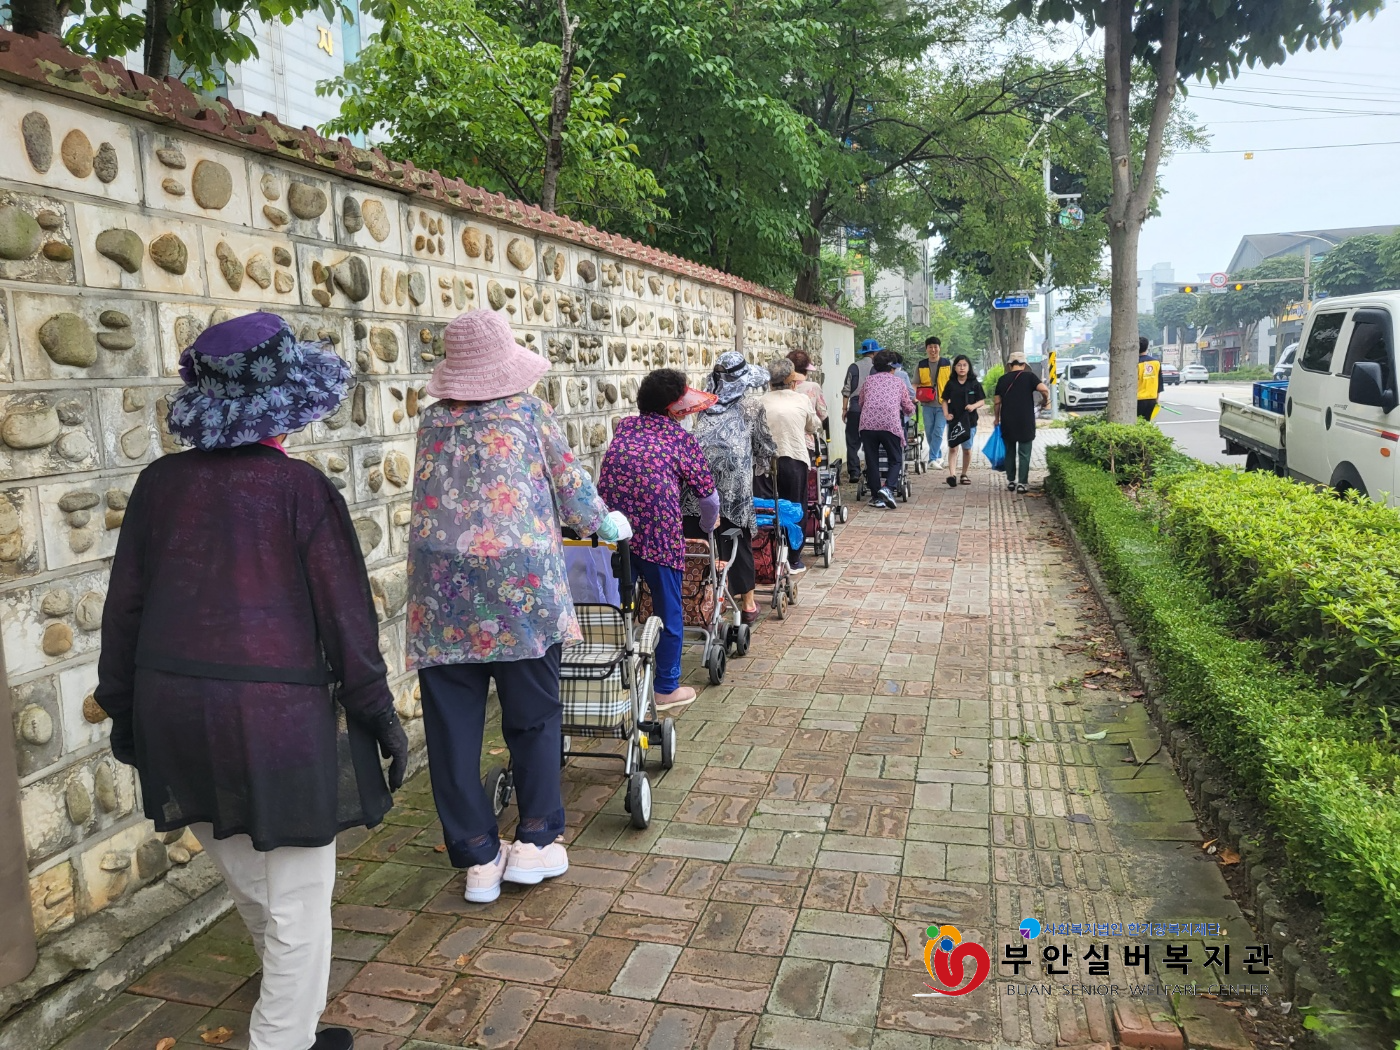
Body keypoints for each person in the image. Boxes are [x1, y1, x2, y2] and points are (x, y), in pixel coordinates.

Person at [98, 313, 408, 1050]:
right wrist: (379, 714)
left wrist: (123, 709)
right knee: (298, 901)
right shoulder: (300, 491)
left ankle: (292, 1026)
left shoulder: (157, 484)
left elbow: (124, 609)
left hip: (172, 707)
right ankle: (283, 1040)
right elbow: (347, 621)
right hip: (274, 721)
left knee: (252, 881)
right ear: (286, 401)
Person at [407, 309, 628, 906]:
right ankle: (535, 840)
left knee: (452, 728)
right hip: (520, 586)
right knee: (532, 715)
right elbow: (570, 486)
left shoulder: (432, 421)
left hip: (441, 590)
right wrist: (603, 523)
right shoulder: (529, 412)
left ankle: (479, 856)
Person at [598, 370, 720, 711]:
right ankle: (665, 688)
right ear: (674, 408)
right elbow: (708, 497)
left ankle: (611, 681)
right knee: (669, 613)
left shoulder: (625, 428)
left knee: (614, 609)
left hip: (613, 533)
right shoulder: (680, 438)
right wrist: (708, 526)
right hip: (659, 535)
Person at [683, 351, 776, 625]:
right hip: (734, 485)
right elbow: (764, 445)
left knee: (700, 541)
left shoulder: (702, 404)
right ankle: (747, 604)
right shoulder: (751, 406)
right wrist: (766, 461)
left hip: (696, 482)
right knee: (737, 538)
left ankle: (701, 601)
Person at [759, 357, 821, 569]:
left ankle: (767, 554)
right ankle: (794, 558)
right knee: (796, 505)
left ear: (770, 382)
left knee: (766, 506)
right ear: (792, 381)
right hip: (794, 458)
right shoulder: (801, 400)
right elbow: (813, 426)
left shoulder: (760, 401)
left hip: (764, 462)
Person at [858, 349, 916, 509]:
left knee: (872, 460)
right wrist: (912, 410)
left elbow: (861, 402)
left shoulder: (868, 381)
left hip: (868, 424)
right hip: (890, 424)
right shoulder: (898, 382)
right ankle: (888, 488)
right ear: (893, 367)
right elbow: (907, 406)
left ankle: (876, 497)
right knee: (895, 459)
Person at [994, 351, 1051, 494]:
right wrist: (1045, 401)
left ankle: (1011, 481)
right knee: (1024, 453)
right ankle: (1022, 483)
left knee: (1009, 452)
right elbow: (1044, 389)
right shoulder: (1029, 377)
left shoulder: (1002, 379)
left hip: (1008, 420)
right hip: (1025, 420)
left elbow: (997, 402)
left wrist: (996, 418)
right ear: (1024, 365)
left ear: (1009, 365)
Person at [840, 339, 880, 483]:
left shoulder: (853, 367)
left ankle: (854, 472)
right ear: (874, 352)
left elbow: (846, 390)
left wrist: (844, 409)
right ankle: (870, 470)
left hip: (855, 407)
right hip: (871, 408)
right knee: (871, 441)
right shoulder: (877, 368)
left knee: (852, 441)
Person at [943, 355, 986, 487]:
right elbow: (944, 400)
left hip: (969, 421)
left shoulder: (974, 384)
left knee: (967, 449)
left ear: (969, 367)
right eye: (959, 365)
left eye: (964, 365)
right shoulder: (951, 384)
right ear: (955, 368)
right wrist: (946, 414)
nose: (962, 368)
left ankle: (964, 474)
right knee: (953, 448)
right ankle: (952, 475)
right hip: (954, 420)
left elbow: (982, 401)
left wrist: (973, 406)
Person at [915, 336, 952, 468]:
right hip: (927, 404)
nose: (933, 350)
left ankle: (931, 459)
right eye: (930, 347)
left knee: (938, 431)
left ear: (939, 348)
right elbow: (915, 383)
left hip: (944, 404)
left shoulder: (947, 363)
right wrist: (914, 396)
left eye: (935, 347)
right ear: (926, 349)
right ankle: (938, 456)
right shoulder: (921, 365)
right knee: (929, 432)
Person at [786, 349, 829, 455]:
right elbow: (823, 414)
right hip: (805, 441)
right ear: (806, 370)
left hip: (785, 442)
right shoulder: (813, 387)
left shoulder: (781, 388)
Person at [1137, 337, 1161, 420]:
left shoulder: (1135, 363)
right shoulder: (1156, 362)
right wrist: (1157, 399)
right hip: (1152, 398)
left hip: (1138, 399)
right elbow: (1159, 382)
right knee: (1146, 422)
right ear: (1147, 347)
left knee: (1137, 423)